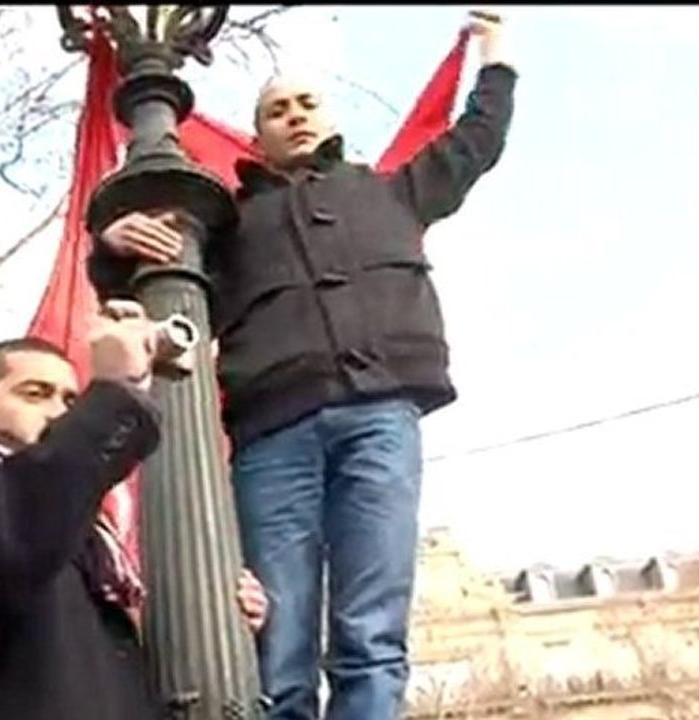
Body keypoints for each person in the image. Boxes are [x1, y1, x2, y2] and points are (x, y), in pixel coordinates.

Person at [86, 11, 516, 720]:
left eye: (305, 104)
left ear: (329, 120)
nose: (293, 116)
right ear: (258, 135)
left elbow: (478, 138)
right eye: (276, 110)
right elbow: (148, 284)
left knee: (370, 632)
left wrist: (497, 52)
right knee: (275, 643)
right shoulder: (224, 226)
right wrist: (111, 242)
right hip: (271, 439)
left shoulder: (393, 192)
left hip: (380, 417)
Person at [0, 300, 268, 720]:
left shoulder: (89, 544)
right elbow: (29, 518)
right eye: (34, 394)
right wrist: (115, 391)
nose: (58, 411)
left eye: (72, 401)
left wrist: (225, 631)